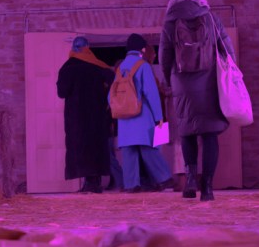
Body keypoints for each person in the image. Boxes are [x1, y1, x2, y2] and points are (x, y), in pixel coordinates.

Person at [158, 0, 235, 201]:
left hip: (182, 84)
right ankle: (207, 188)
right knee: (210, 134)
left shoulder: (170, 23)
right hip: (209, 82)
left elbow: (164, 56)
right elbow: (227, 49)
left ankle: (191, 180)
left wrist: (168, 81)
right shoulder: (211, 19)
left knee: (187, 133)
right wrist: (231, 75)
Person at [113, 33, 173, 194]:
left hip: (123, 117)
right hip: (141, 115)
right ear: (142, 49)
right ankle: (164, 178)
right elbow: (151, 93)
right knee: (148, 147)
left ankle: (131, 184)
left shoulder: (120, 68)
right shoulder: (143, 66)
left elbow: (111, 95)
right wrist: (159, 117)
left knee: (128, 152)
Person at [56, 36, 115, 193]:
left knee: (80, 148)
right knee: (96, 146)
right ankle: (94, 182)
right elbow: (113, 82)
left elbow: (61, 92)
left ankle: (89, 183)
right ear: (88, 47)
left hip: (76, 117)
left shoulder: (67, 68)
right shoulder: (98, 66)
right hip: (97, 114)